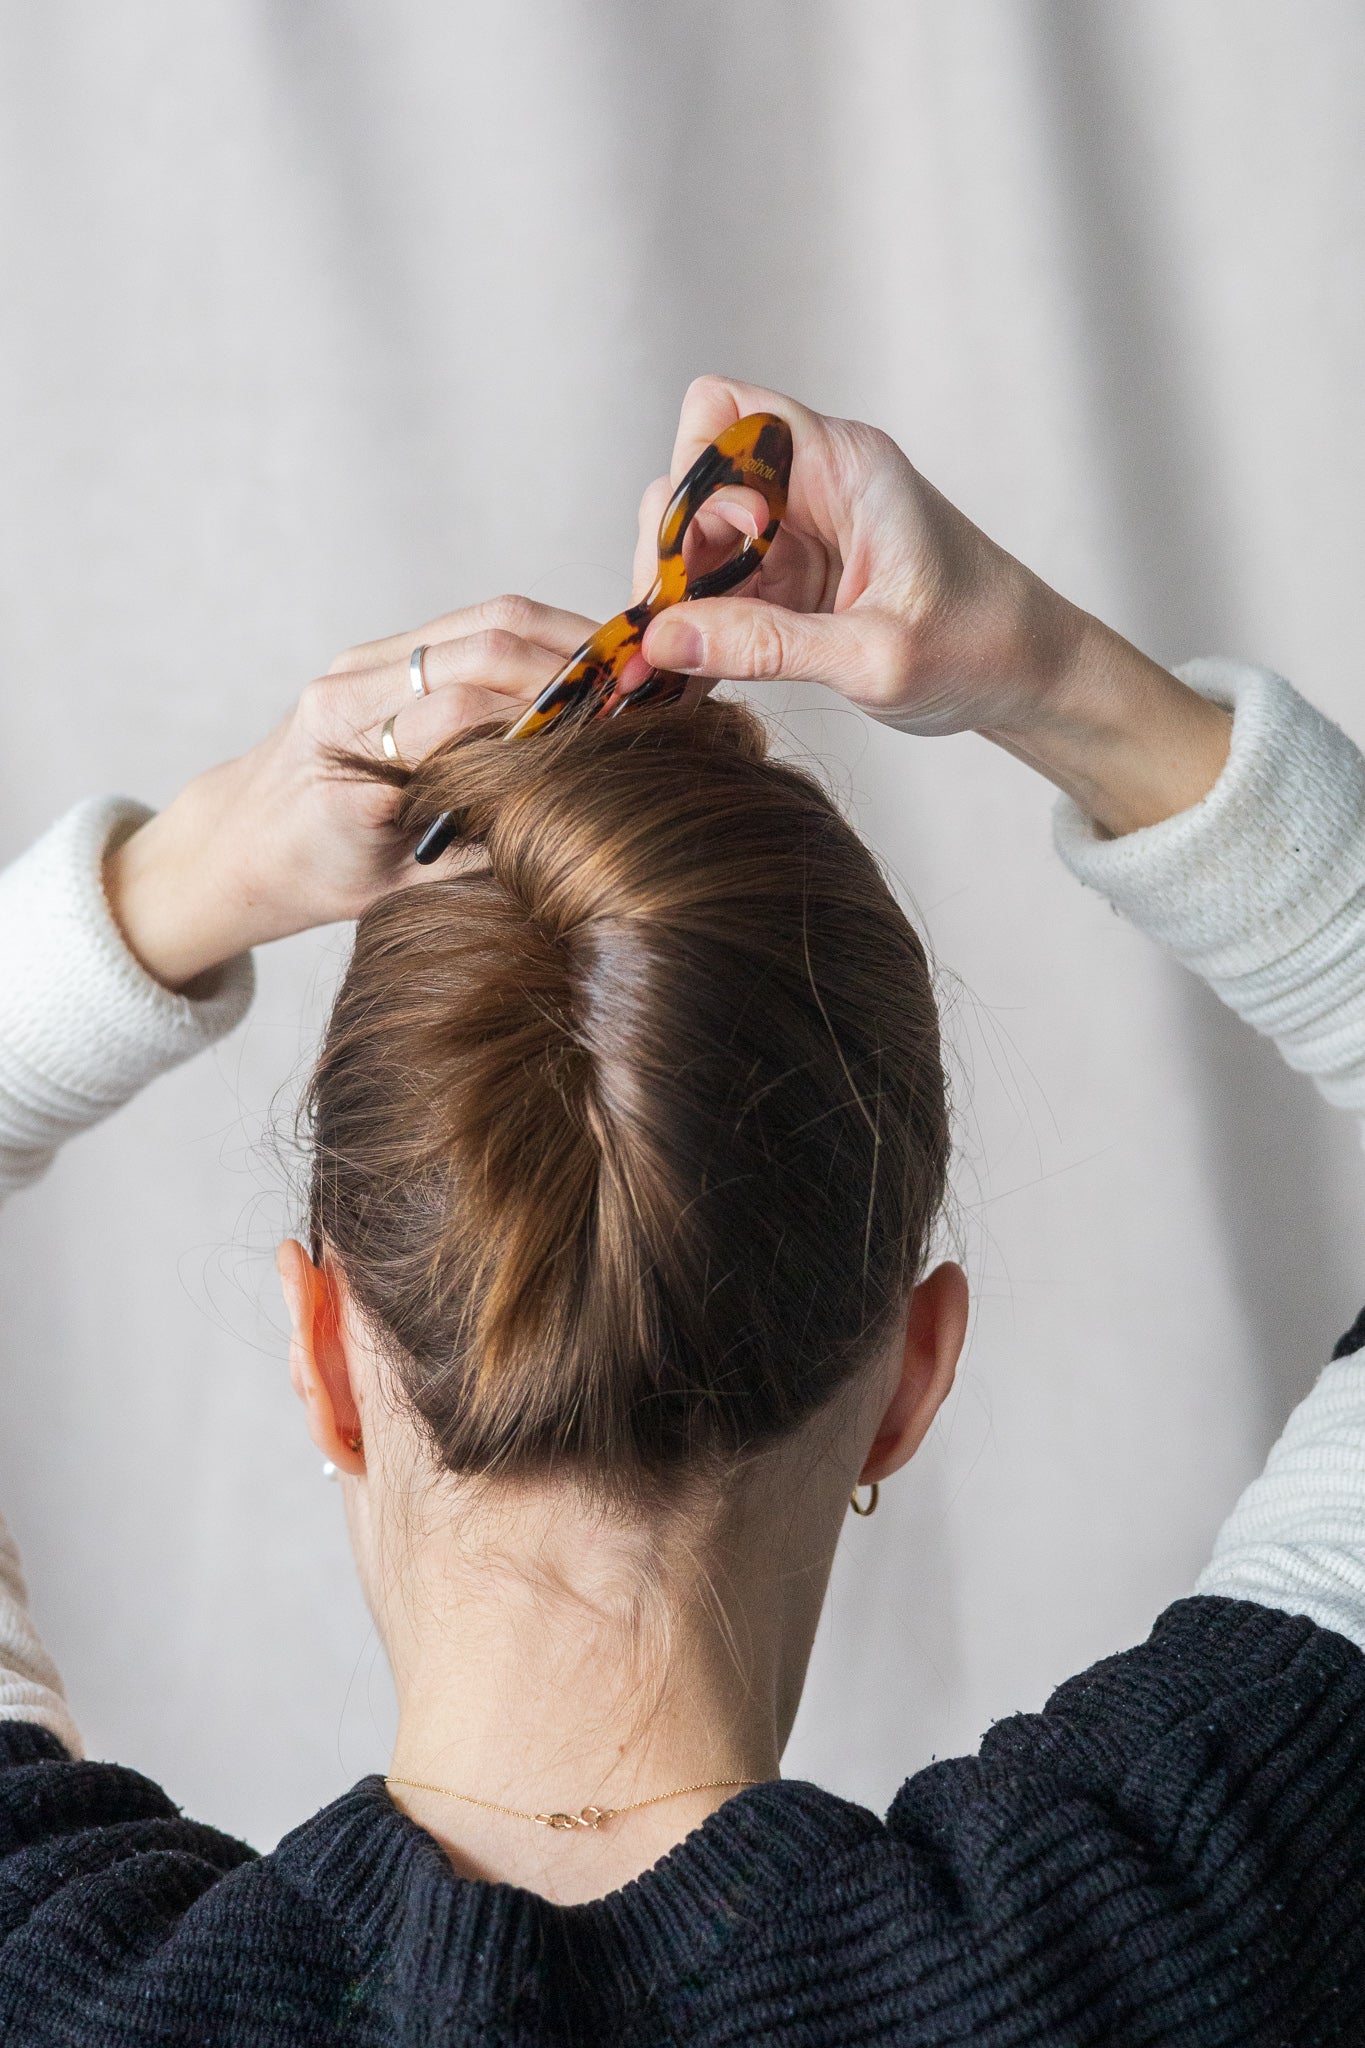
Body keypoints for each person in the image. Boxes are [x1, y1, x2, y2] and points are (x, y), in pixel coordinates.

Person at [1, 375, 1363, 2046]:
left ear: (325, 1360)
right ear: (913, 1376)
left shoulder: (43, 1978)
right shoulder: (1199, 1929)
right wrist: (1054, 676)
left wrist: (197, 865)